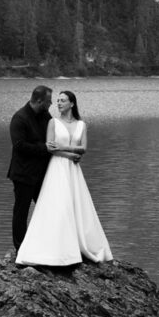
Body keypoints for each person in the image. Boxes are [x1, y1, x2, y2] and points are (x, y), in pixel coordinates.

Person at [15, 89, 113, 267]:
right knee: (51, 206)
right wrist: (69, 153)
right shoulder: (41, 120)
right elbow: (47, 147)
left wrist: (69, 150)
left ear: (72, 104)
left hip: (70, 170)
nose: (56, 103)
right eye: (55, 100)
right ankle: (38, 248)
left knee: (75, 205)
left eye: (62, 100)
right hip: (43, 169)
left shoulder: (78, 124)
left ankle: (77, 245)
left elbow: (81, 147)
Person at [7, 85, 56, 249]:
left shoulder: (44, 115)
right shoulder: (19, 118)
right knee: (21, 212)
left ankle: (44, 244)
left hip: (41, 174)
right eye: (49, 101)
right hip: (23, 174)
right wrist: (44, 148)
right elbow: (19, 146)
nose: (51, 104)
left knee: (47, 208)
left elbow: (52, 135)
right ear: (40, 100)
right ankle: (20, 248)